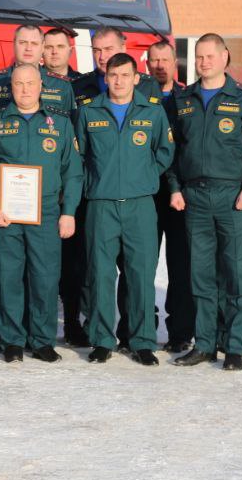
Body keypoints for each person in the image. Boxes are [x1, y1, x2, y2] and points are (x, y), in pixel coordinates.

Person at [167, 33, 242, 371]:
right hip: (194, 196)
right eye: (199, 57)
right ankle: (206, 343)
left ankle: (234, 345)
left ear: (225, 58)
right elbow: (172, 150)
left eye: (211, 56)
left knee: (236, 273)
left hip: (232, 196)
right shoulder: (184, 99)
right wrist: (175, 187)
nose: (204, 62)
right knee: (202, 274)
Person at [0, 63, 82, 363]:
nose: (24, 89)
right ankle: (10, 340)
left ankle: (42, 340)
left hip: (46, 214)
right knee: (7, 278)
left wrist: (68, 211)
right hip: (5, 214)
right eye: (18, 84)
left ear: (40, 86)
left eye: (30, 83)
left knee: (45, 278)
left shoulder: (59, 125)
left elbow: (73, 172)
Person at [74, 53, 174, 365]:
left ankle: (141, 340)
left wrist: (142, 177)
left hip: (140, 206)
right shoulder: (89, 113)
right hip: (101, 205)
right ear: (106, 78)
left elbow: (165, 151)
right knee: (100, 274)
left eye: (124, 75)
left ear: (135, 78)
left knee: (140, 275)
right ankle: (102, 340)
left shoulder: (153, 112)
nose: (118, 81)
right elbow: (79, 157)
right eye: (112, 75)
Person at [141, 38, 191, 353]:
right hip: (145, 191)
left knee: (180, 263)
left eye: (165, 60)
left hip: (179, 195)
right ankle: (142, 325)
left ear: (175, 63)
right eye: (154, 60)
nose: (159, 66)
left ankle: (181, 330)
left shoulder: (188, 97)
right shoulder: (137, 96)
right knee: (142, 263)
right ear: (147, 64)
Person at [0, 24, 75, 117]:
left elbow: (69, 128)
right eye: (23, 43)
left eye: (34, 43)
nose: (28, 48)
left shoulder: (62, 86)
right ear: (14, 44)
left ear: (42, 47)